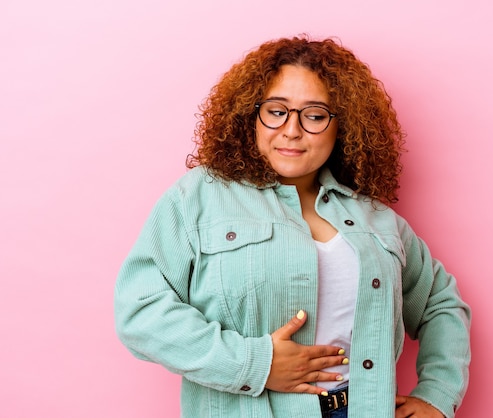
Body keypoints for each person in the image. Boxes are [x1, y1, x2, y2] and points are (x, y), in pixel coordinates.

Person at [114, 35, 471, 418]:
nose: (292, 130)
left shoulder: (374, 217)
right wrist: (256, 364)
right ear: (251, 115)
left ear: (341, 126)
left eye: (314, 115)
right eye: (276, 110)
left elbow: (440, 304)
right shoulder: (198, 197)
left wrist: (437, 394)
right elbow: (141, 310)